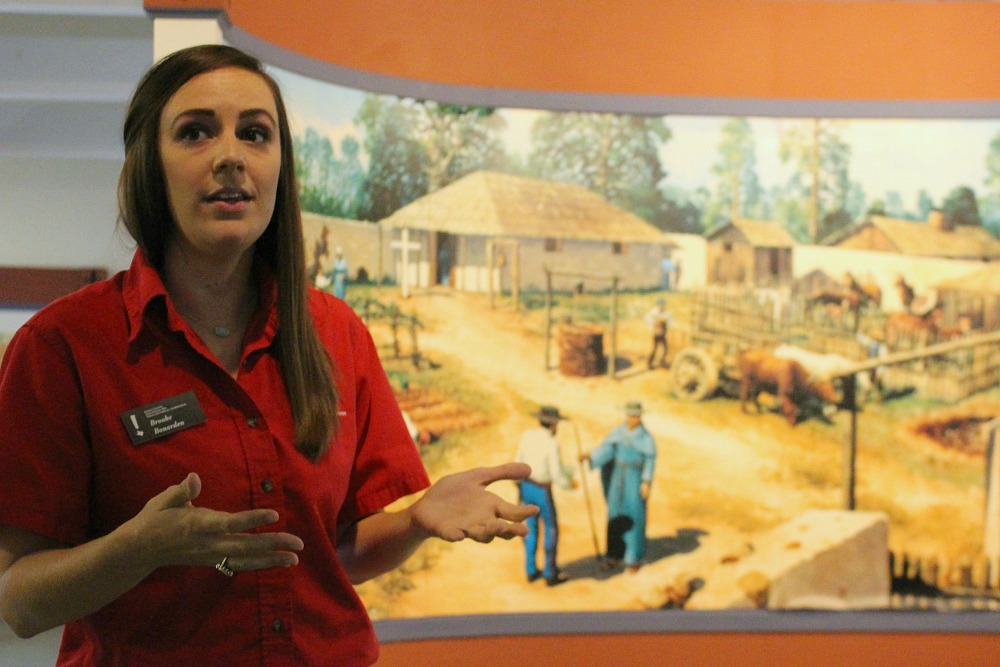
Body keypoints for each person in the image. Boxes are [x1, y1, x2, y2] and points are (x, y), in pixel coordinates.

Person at [0, 45, 536, 667]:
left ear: (280, 166)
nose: (231, 156)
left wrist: (417, 520)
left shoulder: (337, 334)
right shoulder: (62, 346)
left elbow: (327, 557)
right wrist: (137, 549)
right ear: (150, 163)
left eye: (255, 134)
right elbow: (19, 601)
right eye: (196, 132)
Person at [579, 401, 656, 573]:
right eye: (630, 415)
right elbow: (607, 450)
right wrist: (590, 456)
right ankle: (613, 554)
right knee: (615, 513)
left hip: (635, 478)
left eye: (636, 416)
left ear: (640, 417)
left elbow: (650, 461)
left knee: (634, 514)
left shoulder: (646, 438)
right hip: (617, 477)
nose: (633, 419)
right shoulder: (618, 433)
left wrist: (646, 482)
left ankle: (633, 557)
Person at [514, 405, 576, 586]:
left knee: (530, 529)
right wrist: (569, 484)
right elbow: (556, 474)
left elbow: (517, 461)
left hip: (526, 486)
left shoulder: (527, 436)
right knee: (551, 529)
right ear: (554, 424)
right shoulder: (551, 443)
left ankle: (531, 570)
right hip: (542, 490)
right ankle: (550, 573)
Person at [644, 298, 673, 369]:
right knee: (655, 348)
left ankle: (662, 361)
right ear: (658, 305)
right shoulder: (653, 312)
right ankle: (649, 363)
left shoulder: (666, 312)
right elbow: (647, 319)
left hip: (663, 333)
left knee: (665, 349)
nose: (661, 306)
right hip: (656, 334)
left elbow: (670, 321)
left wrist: (666, 324)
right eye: (660, 305)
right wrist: (654, 327)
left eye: (663, 305)